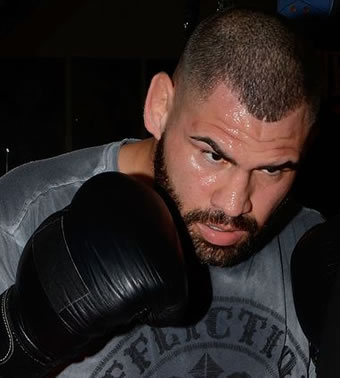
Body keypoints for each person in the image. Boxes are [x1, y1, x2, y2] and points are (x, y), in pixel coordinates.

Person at [0, 6, 325, 377]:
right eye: (213, 155)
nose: (234, 204)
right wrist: (21, 343)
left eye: (273, 168)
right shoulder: (20, 218)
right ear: (160, 107)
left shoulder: (310, 250)